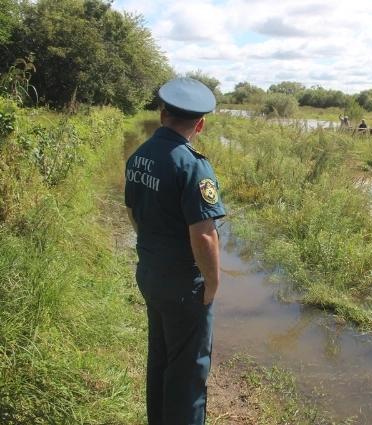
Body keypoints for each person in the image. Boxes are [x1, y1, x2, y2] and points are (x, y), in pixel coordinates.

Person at [124, 77, 225, 425]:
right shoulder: (193, 165)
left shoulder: (139, 155)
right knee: (188, 373)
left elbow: (134, 212)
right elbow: (204, 237)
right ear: (201, 124)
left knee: (162, 357)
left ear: (162, 114)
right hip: (184, 286)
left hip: (150, 274)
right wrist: (211, 283)